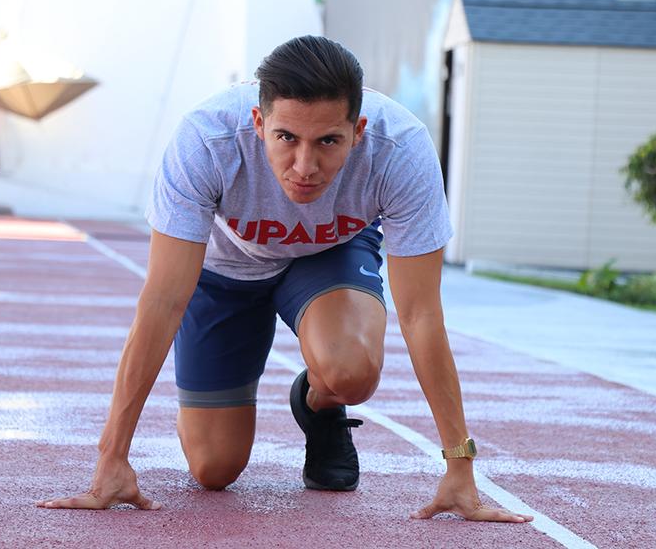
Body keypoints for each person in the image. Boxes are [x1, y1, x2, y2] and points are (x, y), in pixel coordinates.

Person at [37, 36, 533, 523]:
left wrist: (459, 465)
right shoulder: (206, 141)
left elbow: (422, 315)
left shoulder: (399, 149)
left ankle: (319, 404)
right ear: (258, 122)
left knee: (351, 371)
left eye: (328, 142)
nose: (305, 167)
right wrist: (113, 456)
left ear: (358, 131)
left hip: (328, 255)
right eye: (286, 138)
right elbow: (163, 300)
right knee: (214, 468)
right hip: (225, 270)